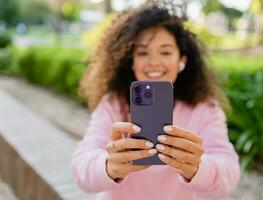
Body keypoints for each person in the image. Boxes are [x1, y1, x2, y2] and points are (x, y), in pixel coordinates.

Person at [71, 2, 240, 200]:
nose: (154, 62)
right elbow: (80, 168)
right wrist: (108, 166)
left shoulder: (205, 108)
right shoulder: (113, 104)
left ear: (182, 61)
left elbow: (229, 172)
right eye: (142, 53)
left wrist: (198, 168)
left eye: (166, 52)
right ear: (131, 61)